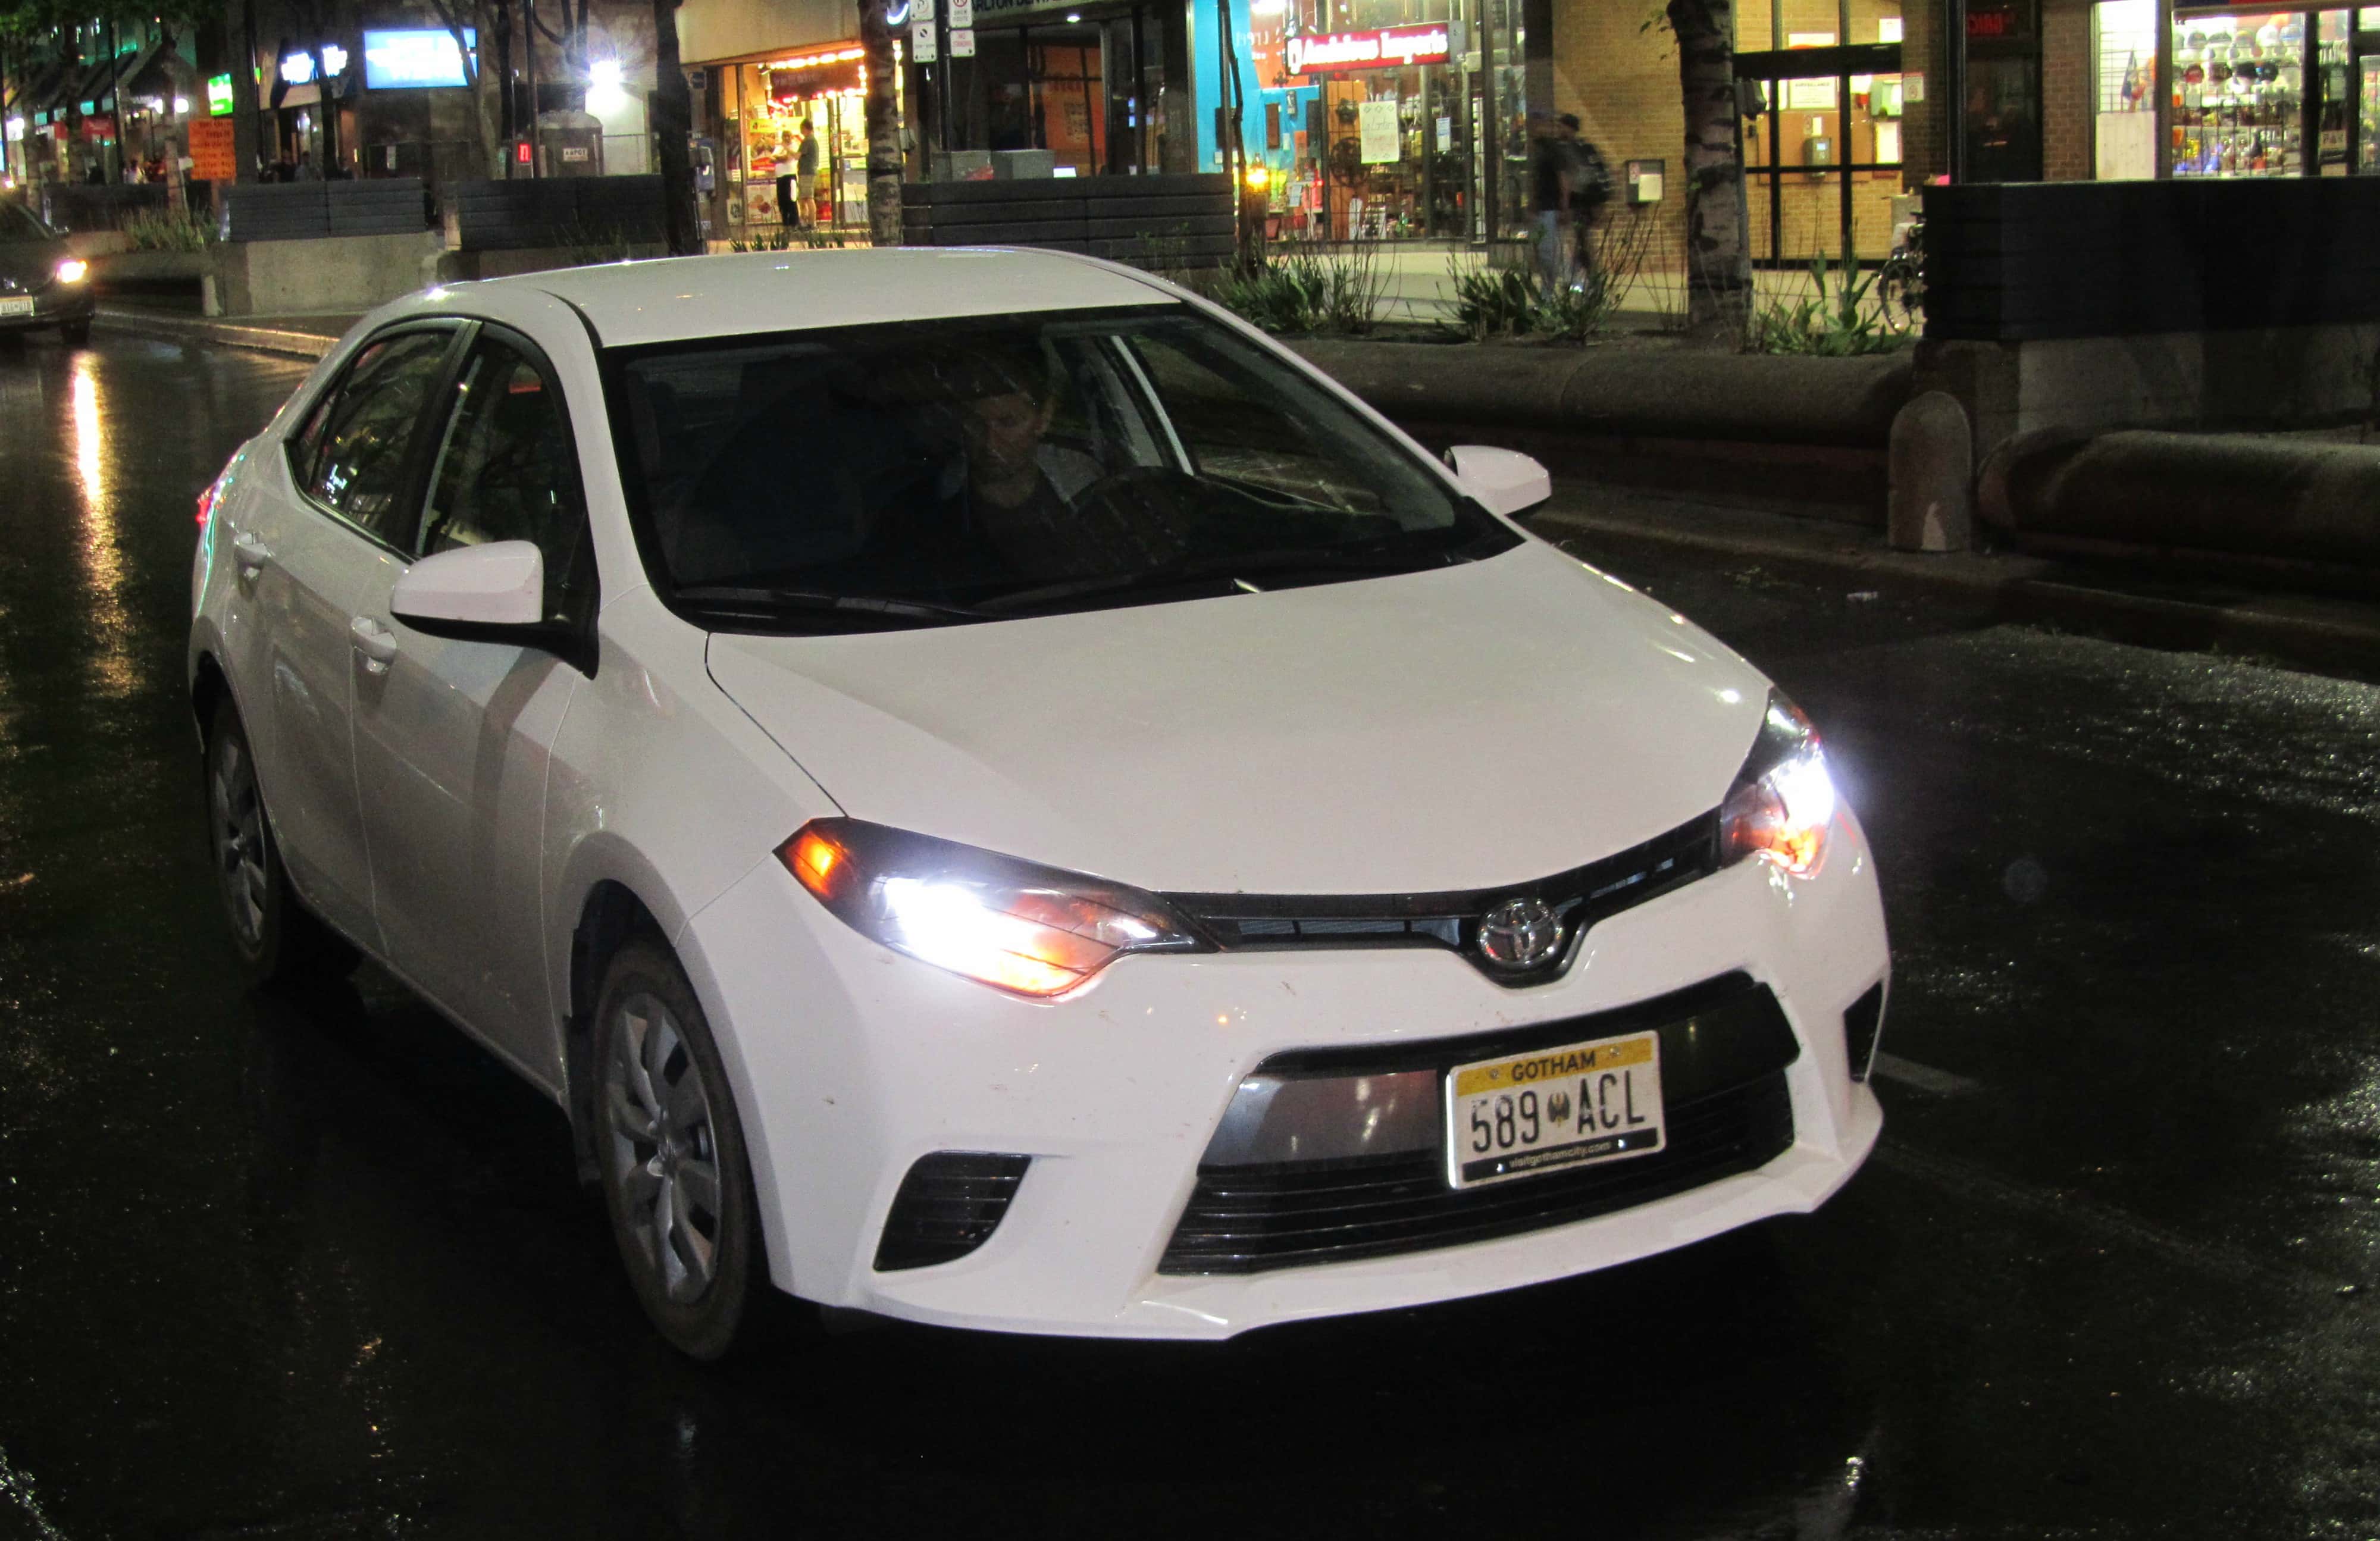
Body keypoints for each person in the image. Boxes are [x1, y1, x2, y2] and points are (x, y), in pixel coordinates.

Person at [1561, 115, 1612, 295]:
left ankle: (1587, 281)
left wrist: (1566, 206)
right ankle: (1586, 280)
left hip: (1578, 204)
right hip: (1583, 204)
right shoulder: (1585, 149)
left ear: (1570, 128)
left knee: (1579, 242)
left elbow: (1570, 180)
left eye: (1563, 127)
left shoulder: (1572, 150)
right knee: (1580, 242)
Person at [1528, 113, 1572, 297]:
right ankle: (1552, 290)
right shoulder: (1537, 149)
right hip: (1541, 209)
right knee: (1542, 253)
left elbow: (1563, 178)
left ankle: (1550, 293)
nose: (1533, 129)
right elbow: (1534, 181)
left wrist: (1564, 205)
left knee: (1548, 254)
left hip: (1550, 208)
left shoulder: (1552, 150)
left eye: (1537, 125)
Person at [797, 120, 822, 227]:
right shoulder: (812, 140)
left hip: (807, 172)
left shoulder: (808, 141)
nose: (801, 131)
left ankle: (812, 223)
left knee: (808, 197)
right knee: (803, 198)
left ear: (805, 128)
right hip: (808, 171)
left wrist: (785, 148)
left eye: (802, 129)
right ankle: (805, 221)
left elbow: (797, 156)